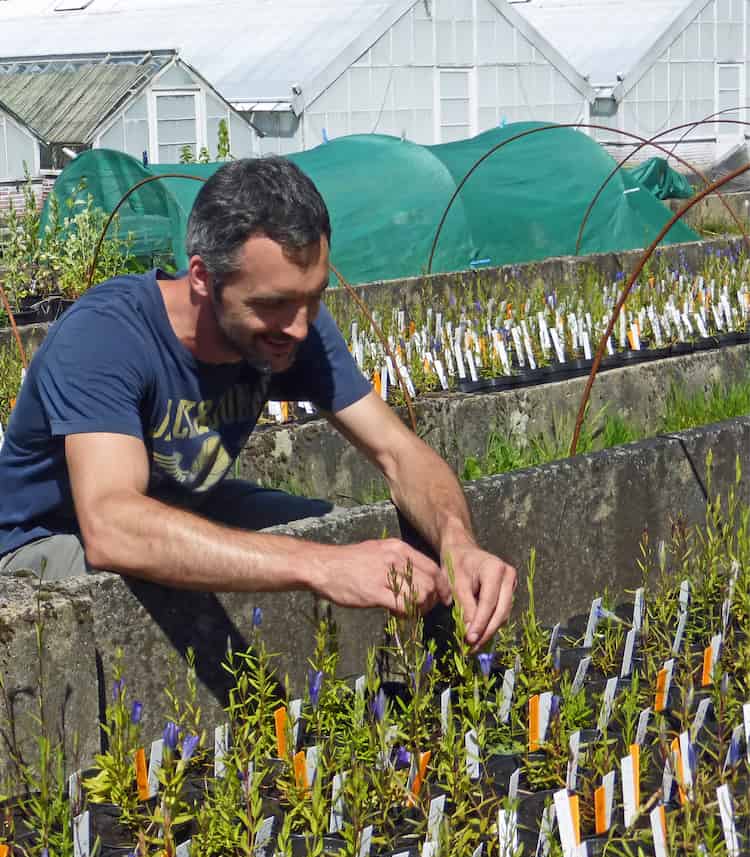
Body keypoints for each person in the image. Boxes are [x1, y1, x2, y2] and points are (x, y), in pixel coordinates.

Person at [0, 157, 516, 651]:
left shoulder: (293, 326)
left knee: (357, 534)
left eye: (312, 298)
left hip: (181, 505)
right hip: (45, 541)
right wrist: (322, 567)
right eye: (271, 304)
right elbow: (112, 526)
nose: (297, 325)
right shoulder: (107, 337)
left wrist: (457, 541)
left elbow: (399, 452)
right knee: (284, 564)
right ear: (202, 278)